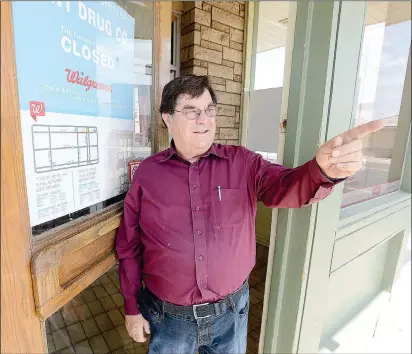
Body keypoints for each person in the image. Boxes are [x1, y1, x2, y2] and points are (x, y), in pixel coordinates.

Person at [116, 75, 384, 353]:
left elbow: (285, 186)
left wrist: (322, 171)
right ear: (167, 118)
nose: (204, 119)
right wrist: (131, 307)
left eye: (209, 110)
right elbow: (129, 245)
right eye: (191, 111)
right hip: (169, 319)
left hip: (231, 315)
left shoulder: (242, 162)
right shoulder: (147, 174)